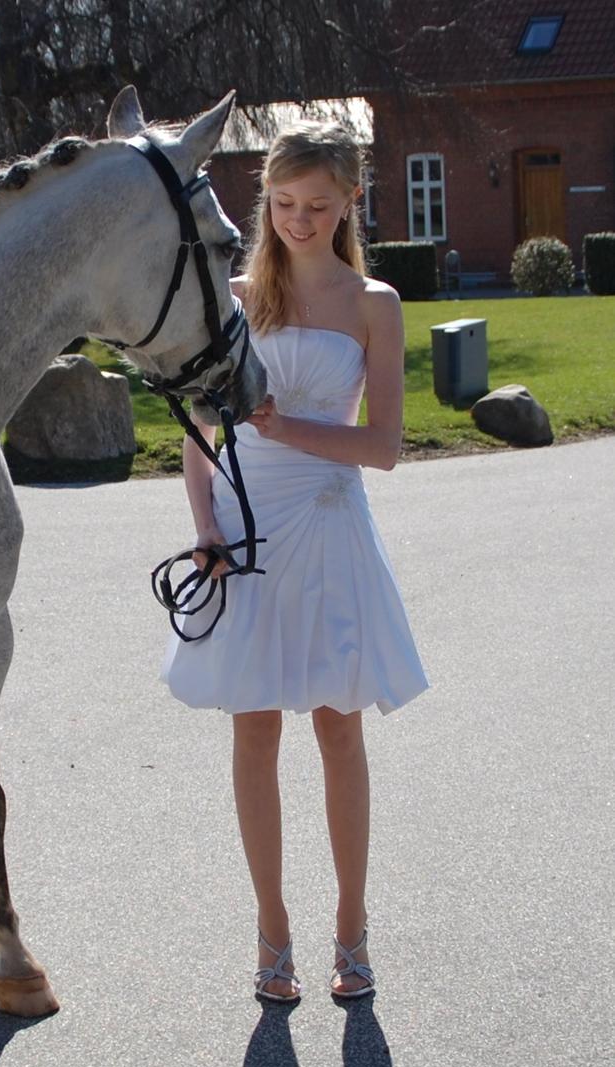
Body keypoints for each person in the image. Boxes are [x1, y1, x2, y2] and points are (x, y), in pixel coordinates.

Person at [160, 121, 428, 1001]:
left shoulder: (373, 304)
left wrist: (283, 426)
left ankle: (351, 926)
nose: (299, 220)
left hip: (328, 521)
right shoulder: (232, 297)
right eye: (283, 204)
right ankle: (272, 929)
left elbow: (384, 446)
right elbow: (200, 436)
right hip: (244, 524)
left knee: (337, 724)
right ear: (264, 200)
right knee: (254, 725)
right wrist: (205, 528)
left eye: (318, 205)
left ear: (351, 201)